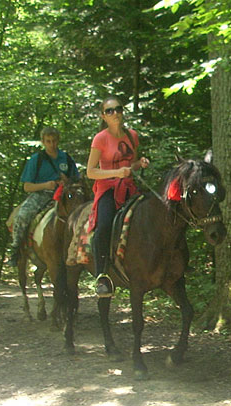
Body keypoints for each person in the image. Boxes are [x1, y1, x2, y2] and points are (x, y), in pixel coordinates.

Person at [86, 96, 149, 297]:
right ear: (103, 116)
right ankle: (102, 275)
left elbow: (130, 166)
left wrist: (140, 164)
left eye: (118, 109)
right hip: (107, 189)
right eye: (110, 111)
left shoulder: (132, 136)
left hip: (129, 187)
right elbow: (90, 172)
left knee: (150, 215)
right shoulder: (100, 139)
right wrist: (115, 173)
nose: (115, 114)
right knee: (104, 225)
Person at [8, 127, 79, 266]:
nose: (52, 144)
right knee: (23, 215)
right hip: (41, 194)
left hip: (64, 194)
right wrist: (46, 185)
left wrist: (66, 181)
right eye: (48, 141)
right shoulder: (36, 160)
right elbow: (27, 186)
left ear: (58, 141)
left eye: (54, 141)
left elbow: (76, 180)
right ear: (43, 142)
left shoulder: (66, 158)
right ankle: (16, 248)